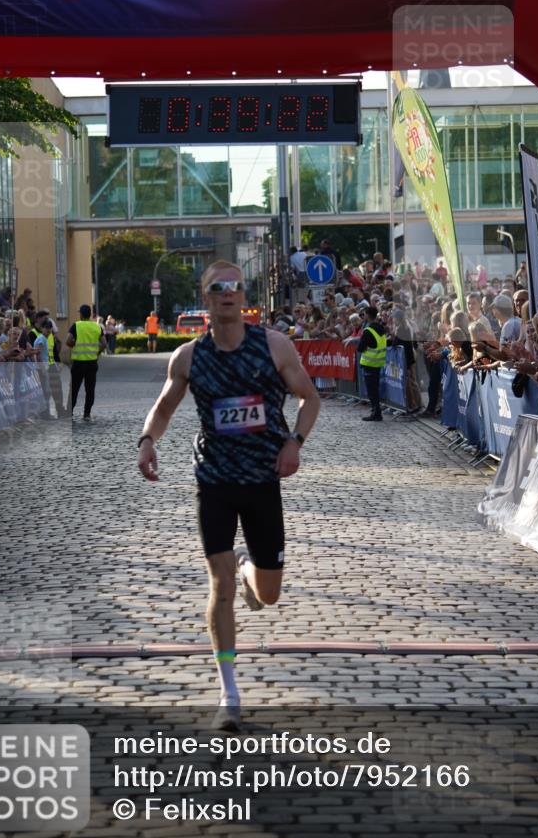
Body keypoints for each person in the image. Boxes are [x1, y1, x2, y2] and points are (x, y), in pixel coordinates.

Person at [137, 260, 320, 731]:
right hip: (214, 480)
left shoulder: (273, 345)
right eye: (218, 287)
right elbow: (162, 408)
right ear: (206, 298)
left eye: (235, 287)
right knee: (217, 586)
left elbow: (309, 397)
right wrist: (147, 443)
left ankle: (248, 568)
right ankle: (229, 692)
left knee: (270, 593)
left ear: (243, 295)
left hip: (262, 479)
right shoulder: (189, 357)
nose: (227, 294)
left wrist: (293, 443)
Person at [66, 304, 106, 421]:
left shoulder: (76, 326)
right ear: (90, 315)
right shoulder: (97, 327)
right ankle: (87, 414)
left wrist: (74, 346)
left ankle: (70, 412)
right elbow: (104, 344)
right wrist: (97, 353)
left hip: (78, 363)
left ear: (81, 314)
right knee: (90, 389)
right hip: (92, 363)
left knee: (74, 389)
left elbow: (68, 341)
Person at [357, 305, 388, 421]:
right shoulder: (381, 328)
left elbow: (360, 348)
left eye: (363, 314)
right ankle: (376, 412)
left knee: (372, 391)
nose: (362, 316)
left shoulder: (368, 331)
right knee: (375, 389)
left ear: (368, 315)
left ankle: (376, 413)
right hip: (378, 363)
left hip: (369, 364)